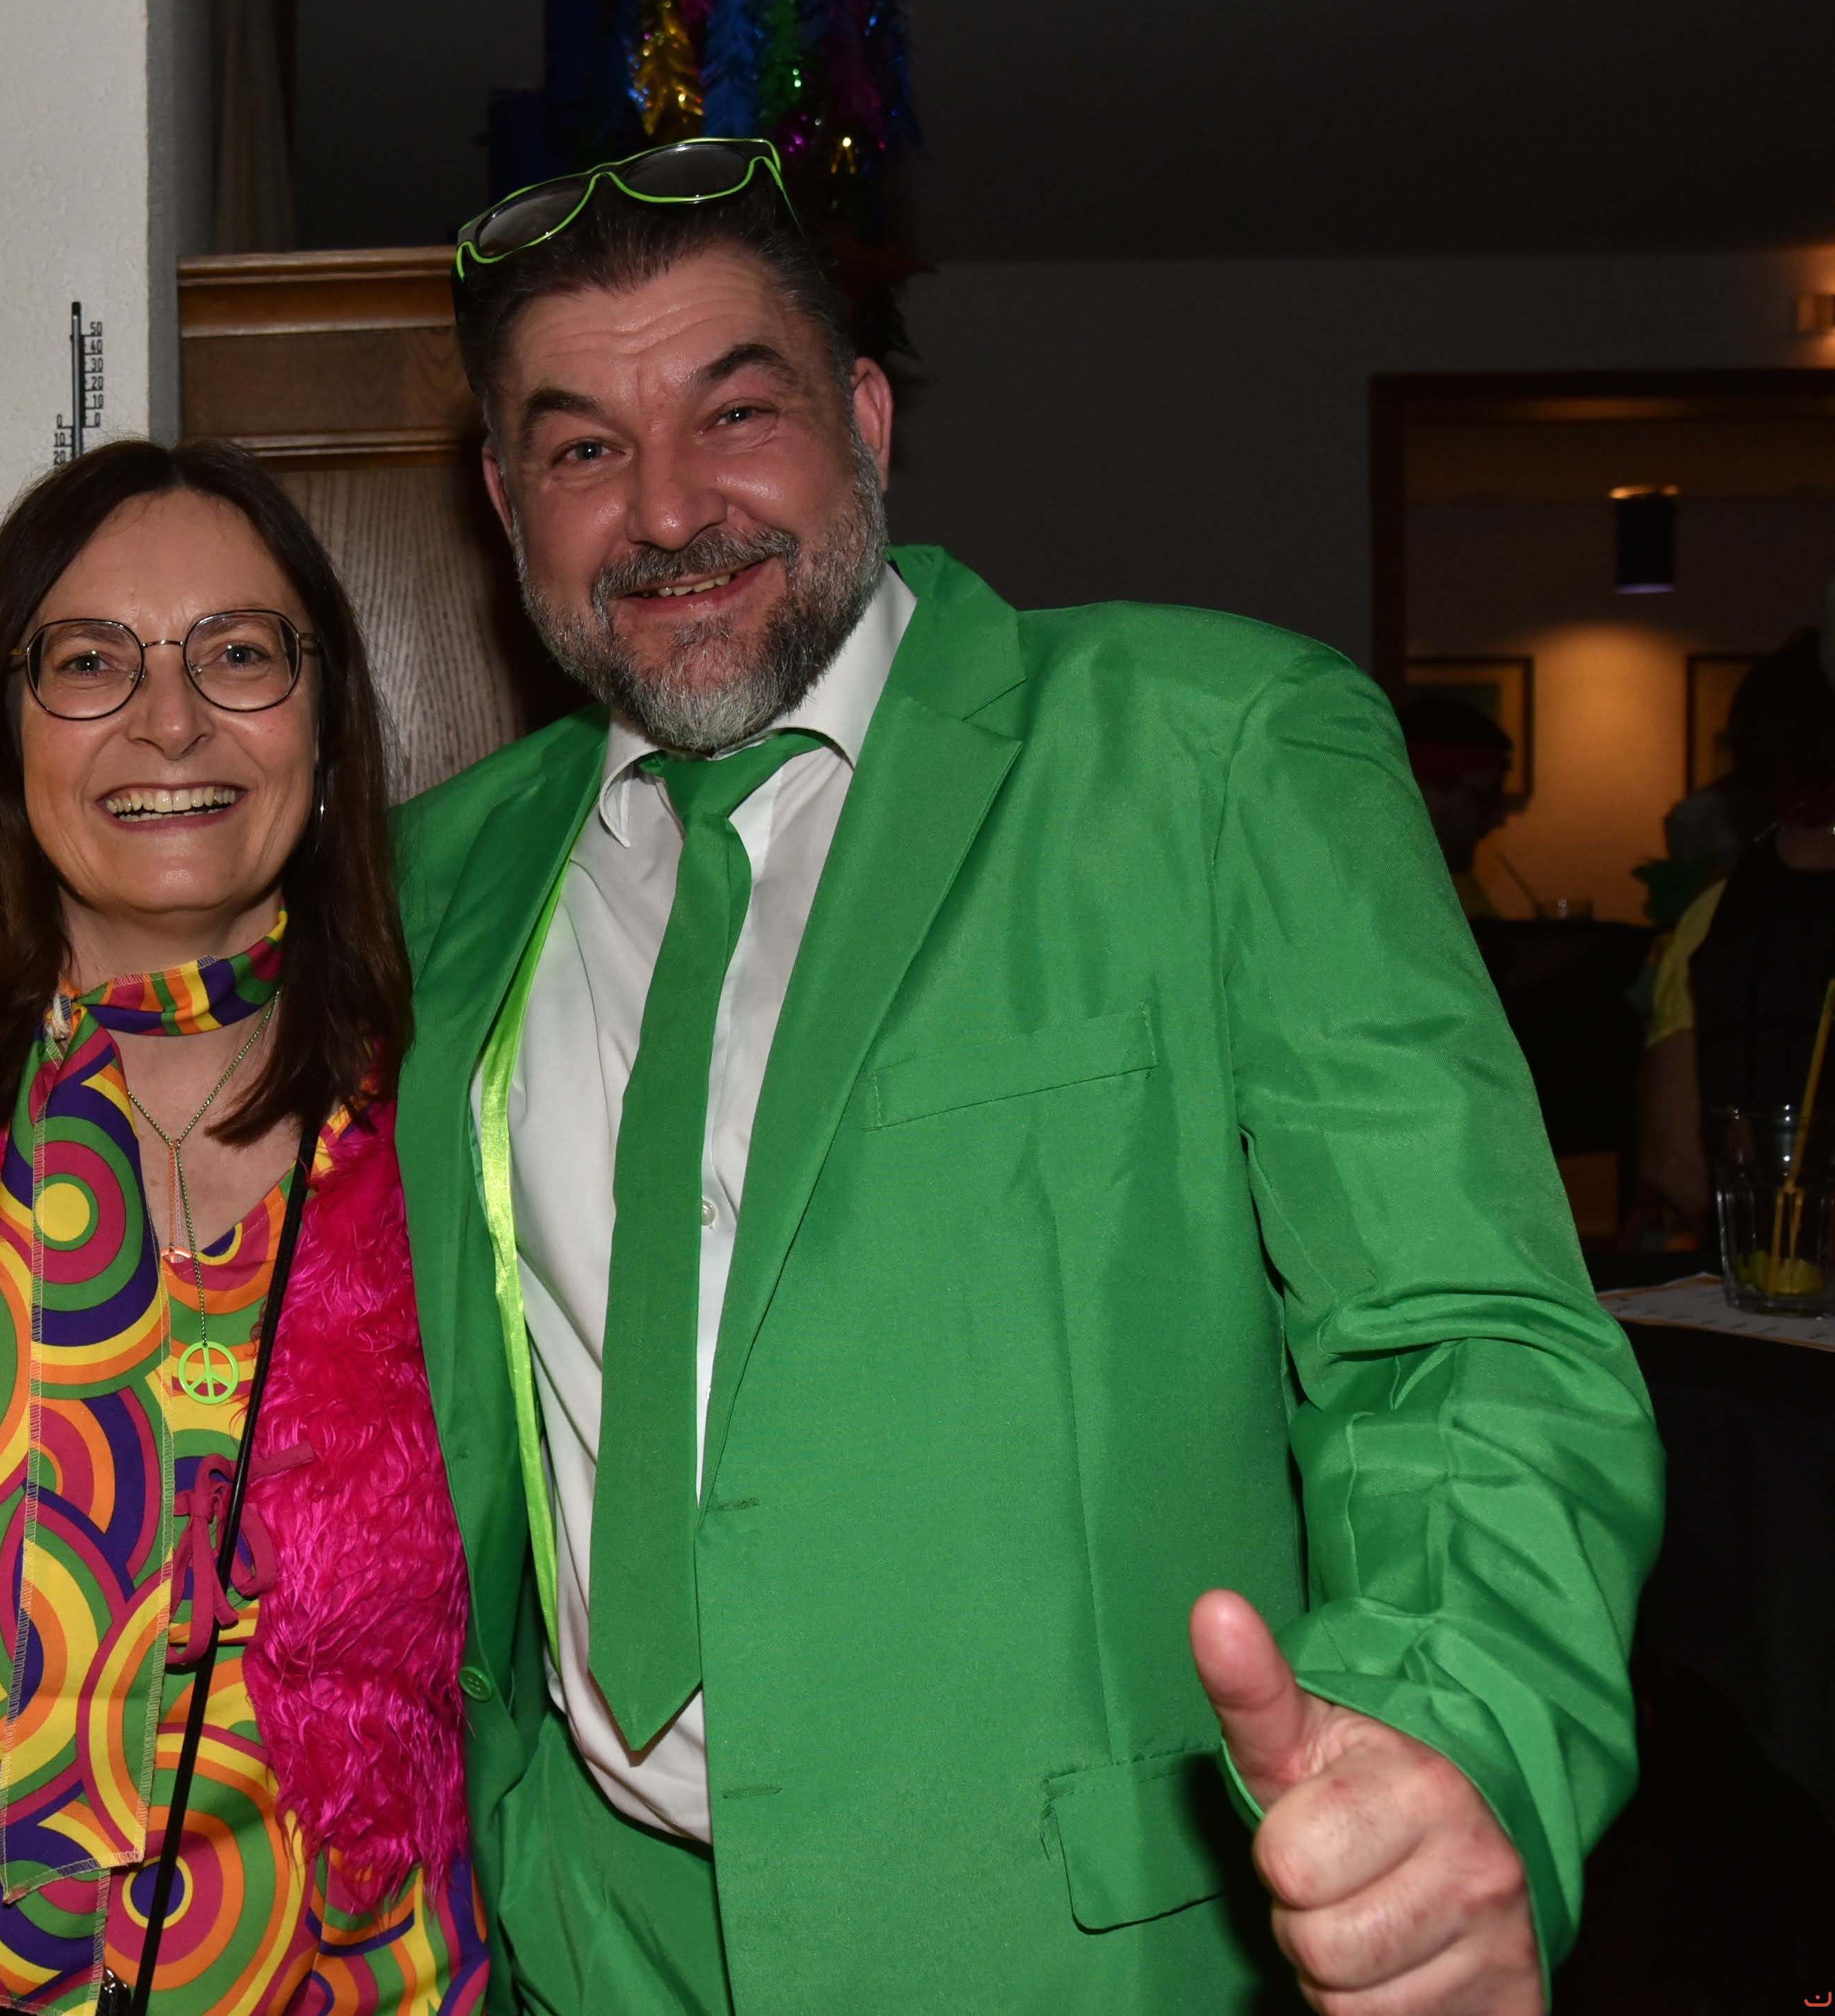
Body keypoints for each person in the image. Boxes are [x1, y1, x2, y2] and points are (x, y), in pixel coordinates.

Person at [389, 138, 1662, 2013]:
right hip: (585, 1949)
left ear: (864, 420)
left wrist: (1455, 1731)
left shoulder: (1213, 753)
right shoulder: (436, 881)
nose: (664, 506)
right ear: (505, 504)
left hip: (1074, 1960)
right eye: (581, 448)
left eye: (735, 412)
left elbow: (1465, 1346)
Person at [0, 440, 490, 2012]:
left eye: (237, 653)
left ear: (326, 718)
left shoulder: (463, 1114)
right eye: (90, 661)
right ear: (3, 725)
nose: (170, 719)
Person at [1638, 627, 1835, 1224]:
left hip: (1761, 1259)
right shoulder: (1717, 915)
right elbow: (1676, 1161)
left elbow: (1675, 1163)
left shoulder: (1714, 912)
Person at [1398, 691, 1522, 917]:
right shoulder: (1392, 901)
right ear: (1421, 795)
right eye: (1486, 797)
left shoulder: (1457, 886)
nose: (1499, 819)